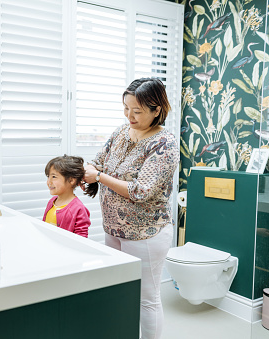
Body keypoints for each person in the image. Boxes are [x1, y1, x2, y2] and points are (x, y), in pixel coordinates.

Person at [83, 78, 180, 339]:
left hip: (145, 234)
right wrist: (83, 174)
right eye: (126, 108)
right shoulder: (120, 132)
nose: (130, 116)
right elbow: (98, 163)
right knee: (119, 290)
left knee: (147, 298)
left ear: (156, 109)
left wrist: (100, 178)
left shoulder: (164, 144)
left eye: (137, 111)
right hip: (113, 229)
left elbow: (140, 190)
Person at [43, 155, 91, 238]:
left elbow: (82, 239)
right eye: (48, 177)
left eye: (54, 177)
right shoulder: (52, 202)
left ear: (71, 180)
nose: (49, 182)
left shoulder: (78, 209)